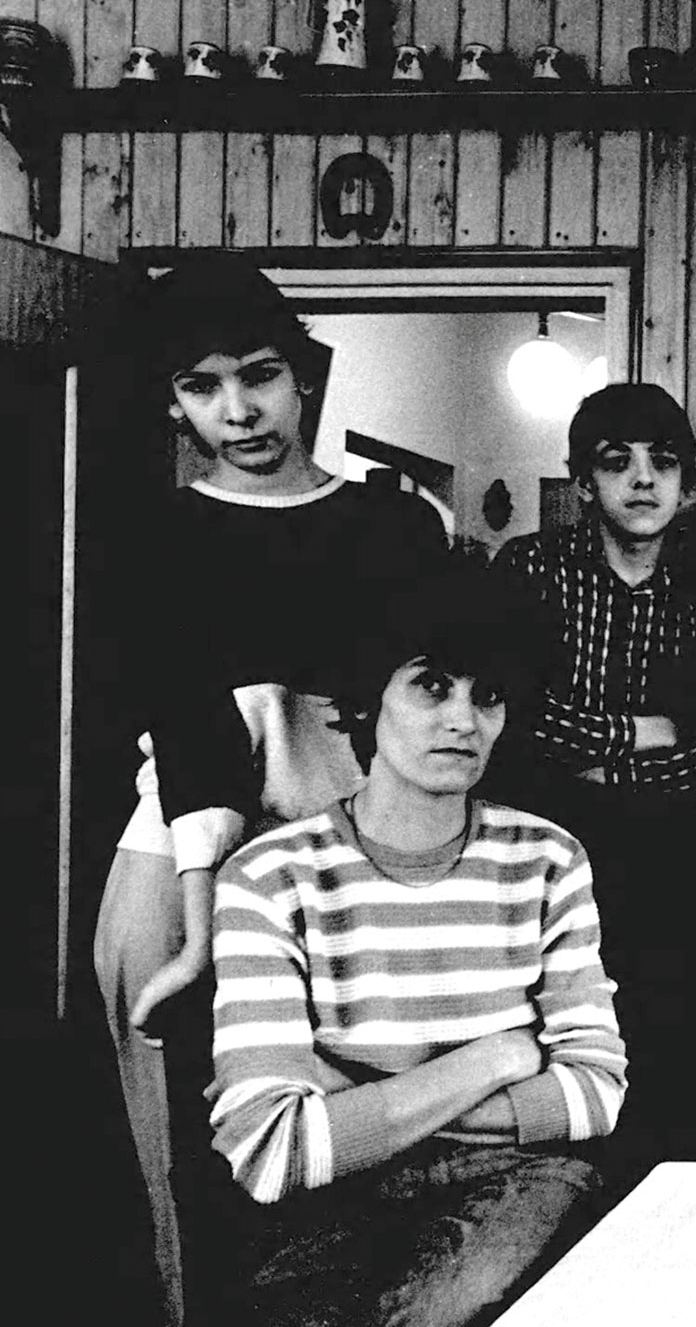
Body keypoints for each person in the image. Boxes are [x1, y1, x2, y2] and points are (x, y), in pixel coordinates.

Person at [90, 254, 447, 1327]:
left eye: (258, 374)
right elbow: (190, 725)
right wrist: (202, 934)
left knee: (361, 1138)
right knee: (189, 1132)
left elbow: (427, 714)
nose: (236, 409)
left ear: (304, 376)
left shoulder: (395, 525)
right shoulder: (154, 530)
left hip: (355, 854)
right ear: (172, 399)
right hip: (187, 850)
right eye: (200, 386)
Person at [207, 564, 625, 1327]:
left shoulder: (547, 858)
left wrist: (357, 1101)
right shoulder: (267, 877)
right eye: (432, 687)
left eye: (488, 694)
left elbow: (596, 1095)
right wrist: (499, 1057)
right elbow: (272, 1151)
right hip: (331, 1206)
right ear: (372, 698)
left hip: (520, 1180)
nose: (464, 720)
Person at [491, 381, 696, 1163]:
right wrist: (650, 730)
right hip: (555, 840)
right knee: (566, 1034)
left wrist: (599, 750)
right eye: (618, 462)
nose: (643, 480)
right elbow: (520, 722)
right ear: (582, 483)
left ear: (685, 483)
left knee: (675, 1038)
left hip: (681, 845)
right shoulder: (531, 570)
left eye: (663, 463)